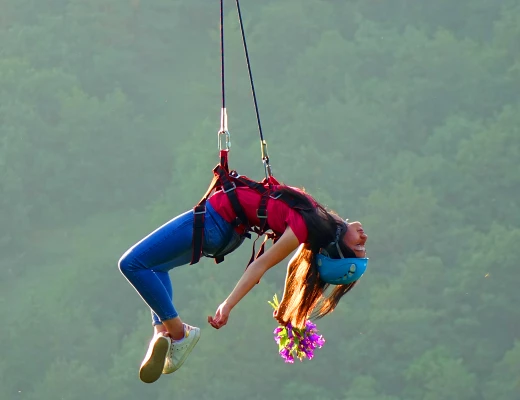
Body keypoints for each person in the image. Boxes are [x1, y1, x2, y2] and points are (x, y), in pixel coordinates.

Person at [118, 173, 368, 384]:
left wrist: (227, 305)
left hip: (214, 222)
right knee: (156, 267)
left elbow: (260, 265)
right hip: (221, 226)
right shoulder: (317, 220)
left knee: (131, 264)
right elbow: (295, 268)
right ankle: (161, 336)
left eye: (358, 248)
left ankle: (179, 334)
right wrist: (286, 308)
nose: (364, 238)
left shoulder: (304, 228)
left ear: (338, 249)